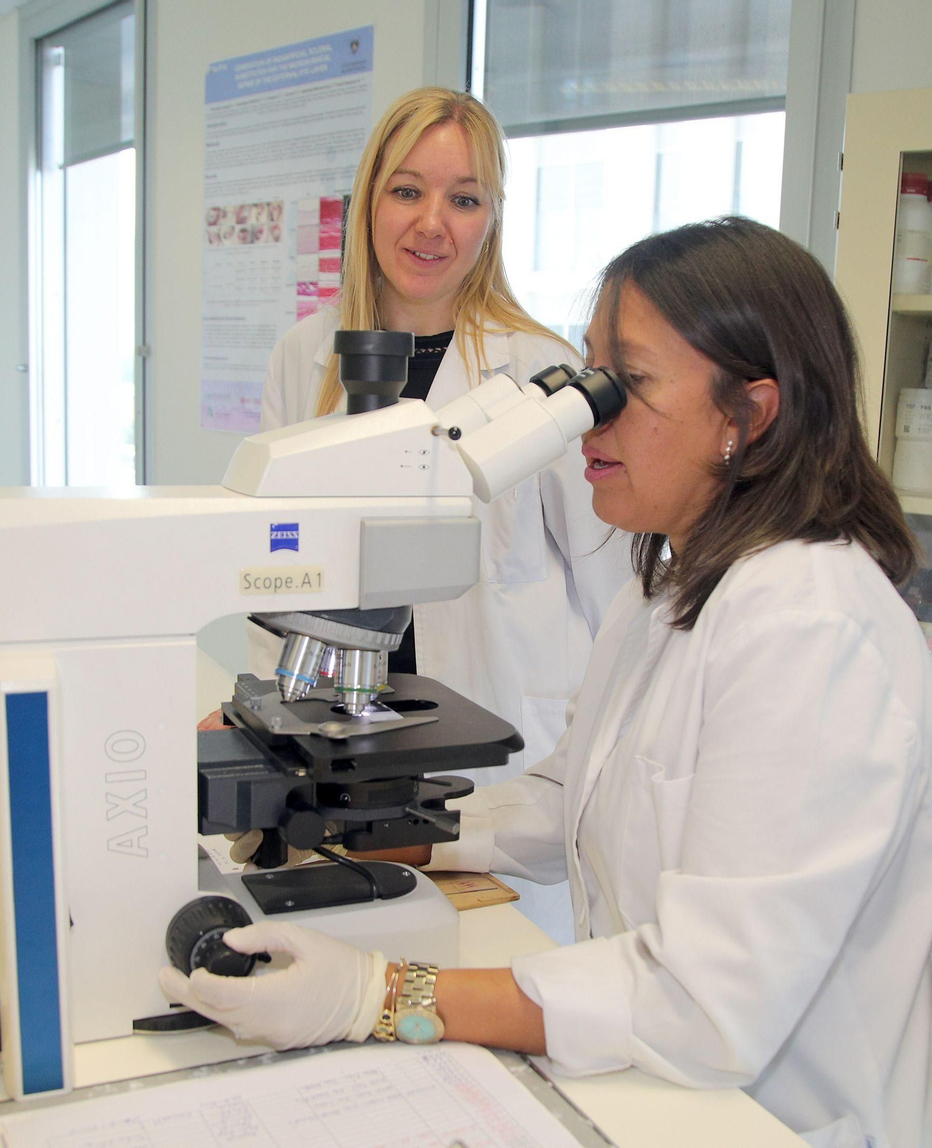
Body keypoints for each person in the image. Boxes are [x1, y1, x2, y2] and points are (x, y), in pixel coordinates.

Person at [166, 218, 932, 1148]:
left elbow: (705, 1000)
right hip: (673, 1095)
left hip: (791, 1119)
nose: (587, 411)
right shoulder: (677, 586)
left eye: (625, 383)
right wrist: (348, 829)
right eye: (587, 373)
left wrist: (380, 995)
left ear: (748, 416)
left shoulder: (812, 628)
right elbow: (571, 802)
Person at [218, 88, 631, 940]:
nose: (432, 223)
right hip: (339, 754)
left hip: (492, 776)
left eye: (464, 198)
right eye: (407, 190)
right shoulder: (305, 355)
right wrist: (263, 721)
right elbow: (276, 563)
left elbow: (615, 600)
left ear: (492, 219)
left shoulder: (538, 372)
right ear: (368, 199)